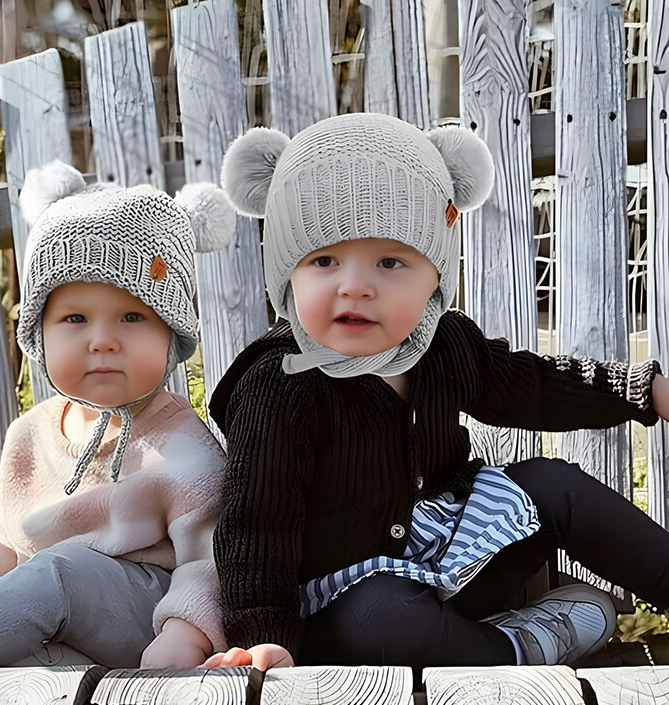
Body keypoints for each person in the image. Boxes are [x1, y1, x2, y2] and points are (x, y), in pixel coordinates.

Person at [204, 113, 669, 674]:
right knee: (385, 620)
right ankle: (522, 648)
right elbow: (257, 524)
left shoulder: (443, 343)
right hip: (350, 600)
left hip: (452, 551)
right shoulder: (281, 385)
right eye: (324, 260)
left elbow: (534, 386)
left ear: (435, 277)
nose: (355, 285)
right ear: (287, 275)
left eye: (391, 261)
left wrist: (645, 391)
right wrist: (264, 637)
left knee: (556, 485)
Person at [0, 161, 236, 669]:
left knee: (62, 571)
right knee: (37, 616)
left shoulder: (183, 450)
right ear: (40, 335)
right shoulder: (30, 434)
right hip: (60, 626)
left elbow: (211, 563)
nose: (102, 340)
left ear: (172, 334)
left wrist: (185, 635)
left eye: (132, 316)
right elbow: (6, 542)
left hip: (149, 620)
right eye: (74, 318)